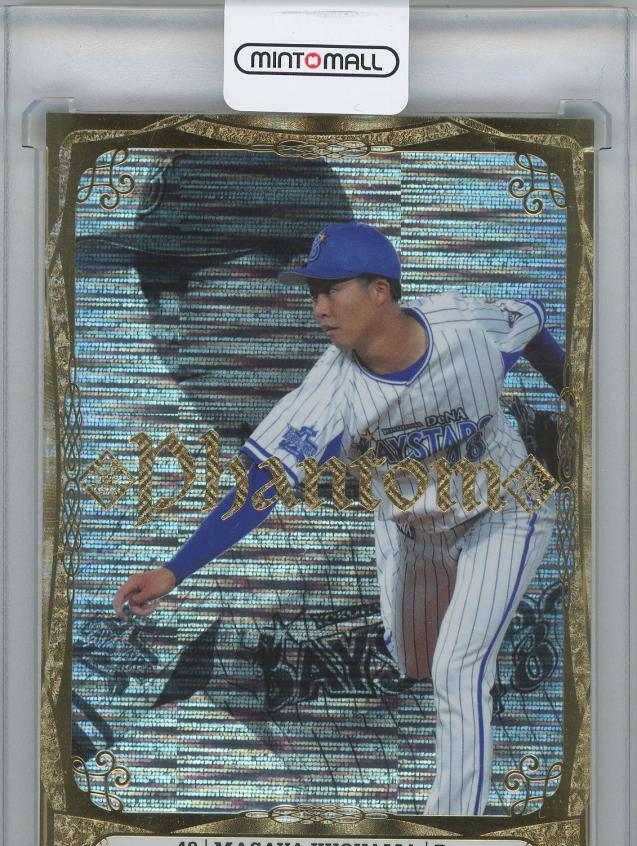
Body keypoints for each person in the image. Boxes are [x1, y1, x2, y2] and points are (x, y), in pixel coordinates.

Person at [114, 221, 565, 815]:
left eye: (332, 289)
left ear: (380, 290)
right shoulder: (330, 393)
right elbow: (259, 488)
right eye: (313, 292)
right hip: (413, 528)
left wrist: (579, 398)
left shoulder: (466, 326)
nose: (319, 307)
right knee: (416, 663)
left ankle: (453, 830)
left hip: (507, 508)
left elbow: (532, 323)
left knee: (459, 668)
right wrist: (174, 570)